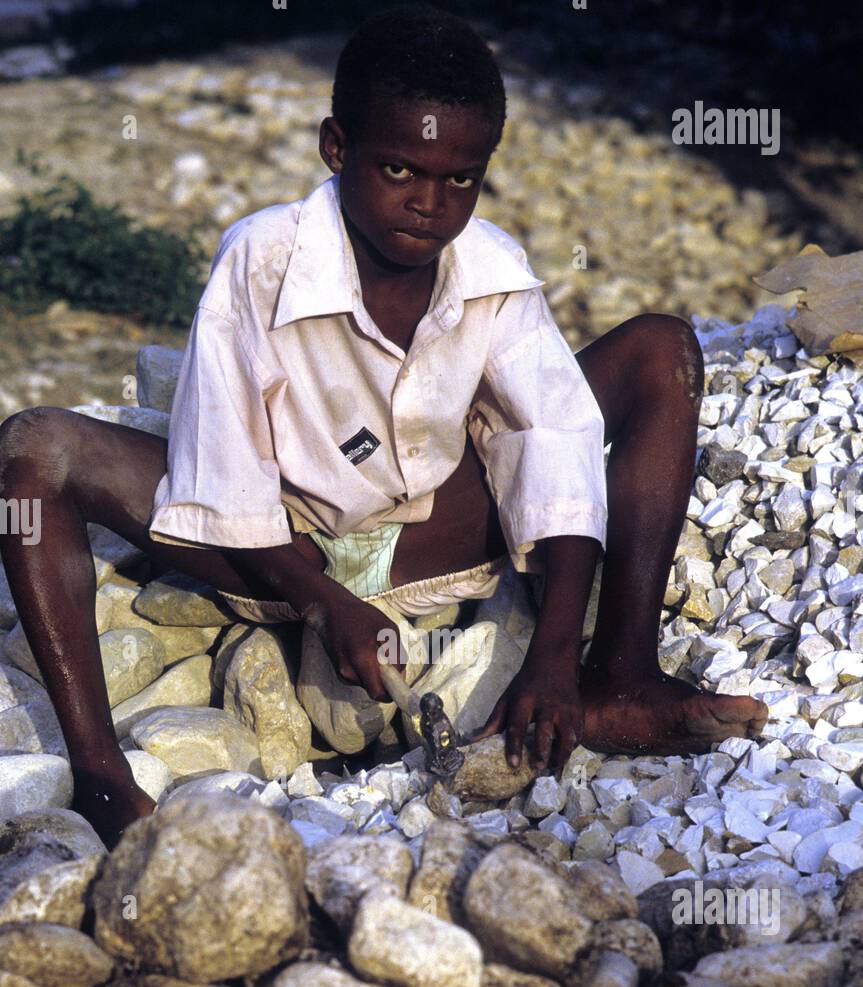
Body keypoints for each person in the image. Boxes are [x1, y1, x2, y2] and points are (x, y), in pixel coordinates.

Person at [0, 4, 767, 849]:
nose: (431, 204)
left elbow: (554, 438)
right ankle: (100, 772)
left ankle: (616, 677)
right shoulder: (262, 259)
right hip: (278, 548)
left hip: (433, 534)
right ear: (337, 148)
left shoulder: (492, 269)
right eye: (399, 169)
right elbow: (222, 472)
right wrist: (325, 604)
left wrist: (551, 658)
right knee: (36, 445)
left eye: (461, 179)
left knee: (662, 348)